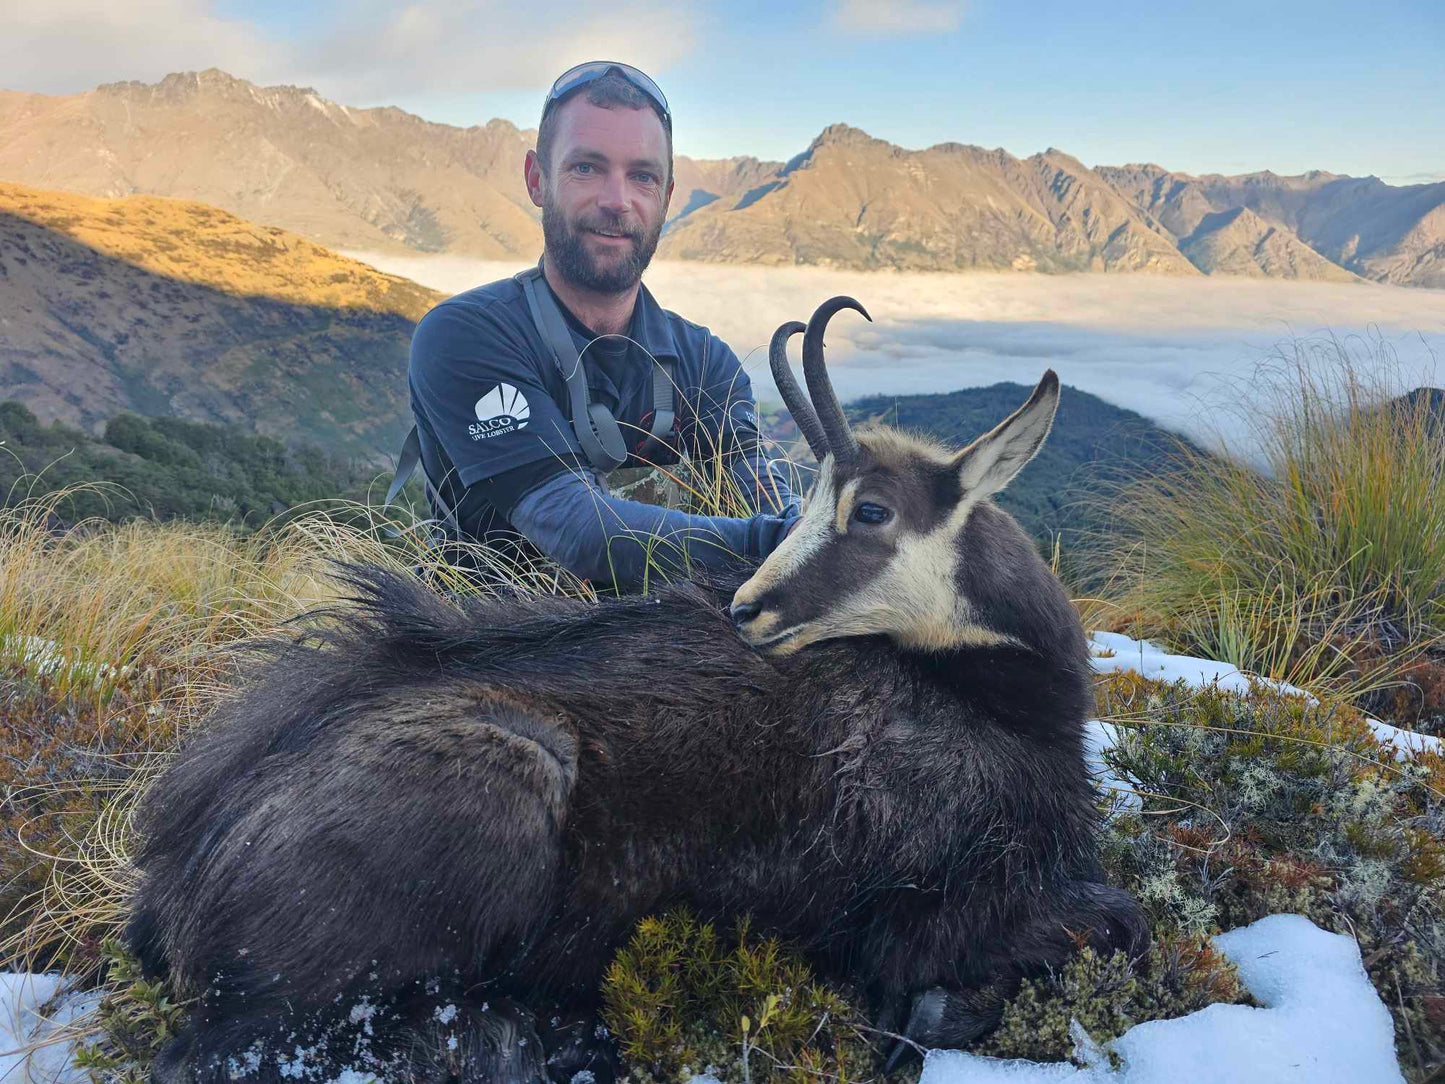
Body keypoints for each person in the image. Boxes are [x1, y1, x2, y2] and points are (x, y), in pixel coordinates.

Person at [402, 61, 800, 593]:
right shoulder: (466, 335)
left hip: (664, 640)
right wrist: (784, 544)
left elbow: (764, 494)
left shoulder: (705, 361)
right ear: (536, 179)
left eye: (642, 176)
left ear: (666, 195)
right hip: (487, 647)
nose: (618, 201)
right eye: (586, 168)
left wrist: (822, 528)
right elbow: (575, 528)